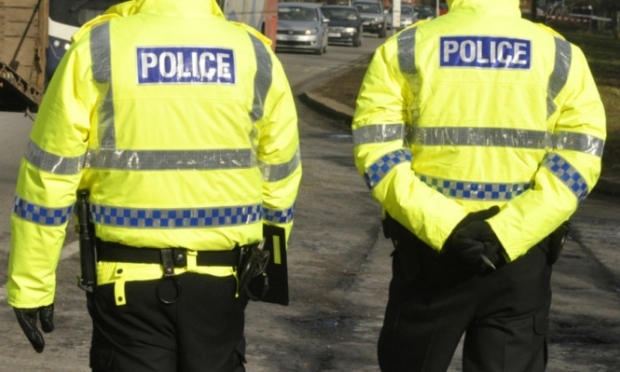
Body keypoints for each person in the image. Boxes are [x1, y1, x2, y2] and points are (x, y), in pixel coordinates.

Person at [7, 0, 301, 370]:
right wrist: (266, 266)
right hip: (222, 284)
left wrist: (33, 283)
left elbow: (48, 177)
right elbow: (280, 173)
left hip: (124, 284)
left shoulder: (98, 47)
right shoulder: (253, 53)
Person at [352, 0, 606, 371]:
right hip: (519, 260)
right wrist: (507, 232)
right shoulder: (561, 54)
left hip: (429, 257)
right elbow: (579, 159)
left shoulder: (406, 48)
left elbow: (378, 153)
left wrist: (447, 226)